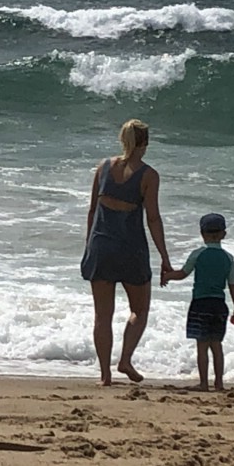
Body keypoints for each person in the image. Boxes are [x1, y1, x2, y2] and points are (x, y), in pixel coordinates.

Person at [81, 118, 173, 386]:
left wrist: (89, 246)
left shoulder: (103, 168)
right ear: (145, 143)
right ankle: (125, 359)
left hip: (101, 247)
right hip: (131, 250)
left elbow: (92, 211)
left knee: (102, 316)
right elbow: (153, 219)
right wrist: (165, 258)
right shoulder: (148, 176)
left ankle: (105, 375)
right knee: (140, 310)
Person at [165, 212, 234, 391]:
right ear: (223, 234)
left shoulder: (198, 254)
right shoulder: (228, 258)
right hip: (219, 305)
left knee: (202, 345)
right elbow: (233, 284)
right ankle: (219, 383)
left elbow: (183, 273)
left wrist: (167, 276)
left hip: (200, 303)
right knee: (216, 345)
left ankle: (203, 383)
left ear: (202, 234)